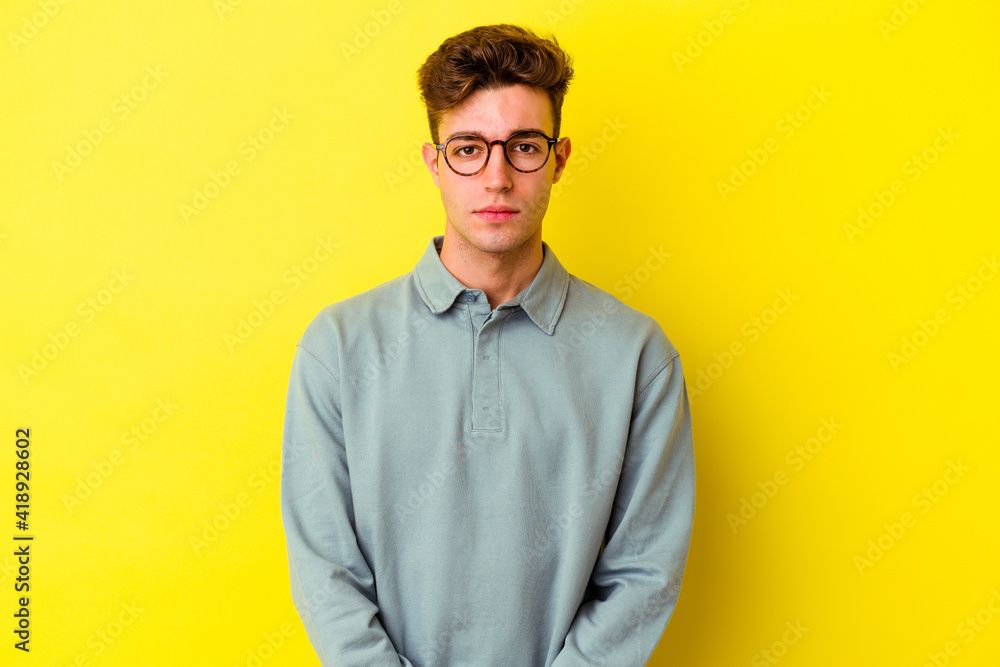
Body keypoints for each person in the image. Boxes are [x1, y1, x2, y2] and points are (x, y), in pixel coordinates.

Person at [280, 23, 696, 667]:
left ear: (557, 159)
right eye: (469, 148)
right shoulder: (337, 347)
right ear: (434, 162)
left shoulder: (638, 356)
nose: (497, 177)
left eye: (523, 146)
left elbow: (643, 573)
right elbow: (325, 568)